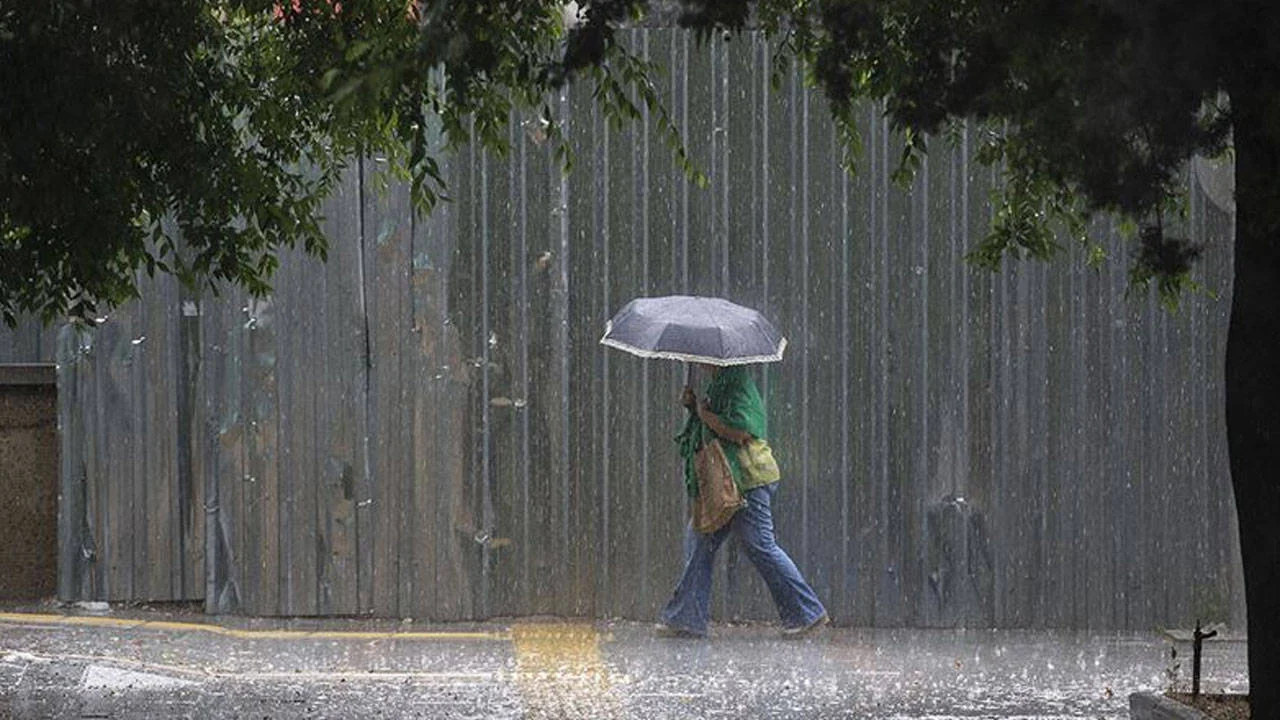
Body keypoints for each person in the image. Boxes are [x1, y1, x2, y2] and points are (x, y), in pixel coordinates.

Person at [657, 363, 828, 638]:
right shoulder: (721, 383)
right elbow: (716, 423)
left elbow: (742, 431)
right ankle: (686, 618)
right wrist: (693, 407)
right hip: (729, 481)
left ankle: (806, 613)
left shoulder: (736, 383)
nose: (701, 362)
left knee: (760, 545)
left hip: (748, 479)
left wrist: (704, 414)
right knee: (700, 541)